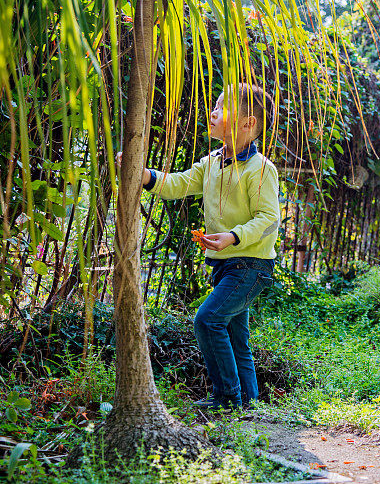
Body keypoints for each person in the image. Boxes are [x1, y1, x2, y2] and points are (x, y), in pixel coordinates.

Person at [118, 83, 280, 410]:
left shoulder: (260, 169)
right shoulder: (211, 163)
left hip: (251, 266)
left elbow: (268, 218)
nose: (213, 112)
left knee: (207, 320)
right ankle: (250, 405)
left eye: (223, 107)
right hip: (225, 265)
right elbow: (177, 184)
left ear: (248, 123)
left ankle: (227, 398)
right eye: (215, 105)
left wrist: (233, 237)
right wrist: (142, 173)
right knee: (236, 338)